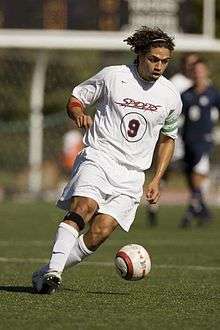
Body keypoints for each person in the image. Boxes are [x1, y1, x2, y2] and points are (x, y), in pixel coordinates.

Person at [32, 26, 182, 294]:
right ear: (139, 55)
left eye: (165, 61)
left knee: (100, 232)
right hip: (100, 156)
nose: (159, 66)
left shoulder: (170, 95)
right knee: (84, 206)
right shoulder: (113, 76)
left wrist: (157, 179)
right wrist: (78, 114)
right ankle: (55, 273)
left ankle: (46, 272)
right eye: (153, 59)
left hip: (132, 173)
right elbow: (76, 99)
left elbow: (168, 138)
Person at [147, 53, 200, 226]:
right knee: (165, 172)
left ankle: (194, 210)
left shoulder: (202, 84)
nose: (193, 68)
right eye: (190, 64)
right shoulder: (176, 83)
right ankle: (153, 207)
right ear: (184, 65)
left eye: (195, 64)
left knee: (194, 173)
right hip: (175, 134)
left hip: (193, 136)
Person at [179, 59, 220, 228]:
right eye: (195, 71)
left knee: (198, 173)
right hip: (188, 140)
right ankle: (201, 209)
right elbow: (177, 116)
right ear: (191, 74)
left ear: (206, 72)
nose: (198, 74)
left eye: (201, 71)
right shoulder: (186, 94)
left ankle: (192, 210)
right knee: (191, 177)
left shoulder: (213, 93)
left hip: (205, 141)